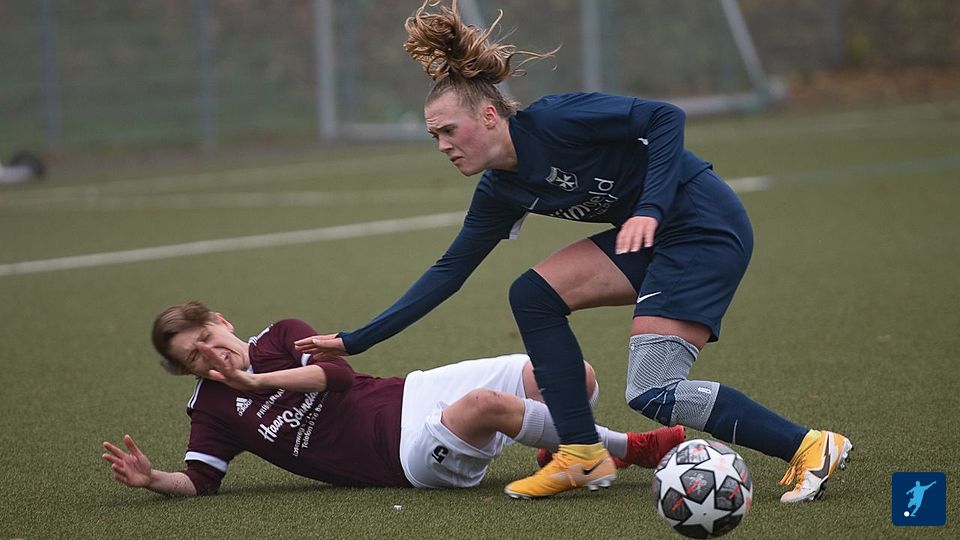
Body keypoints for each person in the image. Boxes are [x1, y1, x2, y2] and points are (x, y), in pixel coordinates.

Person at [294, 0, 852, 502]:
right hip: (652, 236)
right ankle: (582, 453)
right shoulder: (499, 190)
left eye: (448, 130)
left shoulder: (558, 119)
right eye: (433, 136)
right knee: (532, 295)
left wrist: (650, 207)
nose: (442, 145)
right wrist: (354, 340)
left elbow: (666, 117)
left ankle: (809, 445)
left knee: (653, 391)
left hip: (704, 227)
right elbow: (449, 272)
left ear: (488, 116)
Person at [101, 301, 684, 497]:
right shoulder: (210, 409)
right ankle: (627, 448)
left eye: (207, 337)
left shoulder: (280, 336)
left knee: (570, 375)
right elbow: (201, 480)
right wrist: (154, 480)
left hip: (414, 391)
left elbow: (339, 377)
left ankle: (553, 444)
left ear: (222, 321)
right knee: (486, 404)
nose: (209, 354)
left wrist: (258, 383)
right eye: (193, 357)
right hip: (402, 457)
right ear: (187, 371)